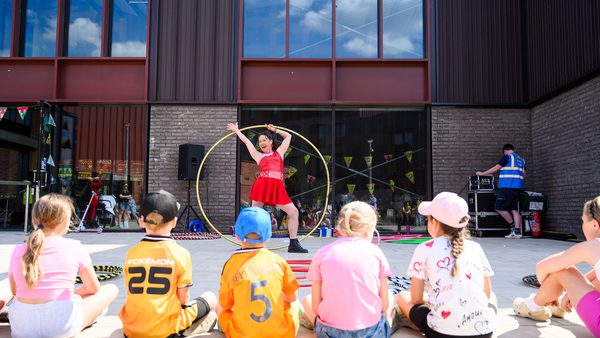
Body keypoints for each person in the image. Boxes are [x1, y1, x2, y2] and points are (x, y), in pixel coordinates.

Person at [8, 193, 118, 338]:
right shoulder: (75, 247)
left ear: (34, 221)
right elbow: (93, 288)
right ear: (65, 222)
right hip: (61, 327)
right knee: (110, 289)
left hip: (22, 328)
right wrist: (66, 294)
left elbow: (15, 291)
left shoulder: (18, 249)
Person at [396, 192, 497, 338]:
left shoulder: (424, 248)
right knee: (493, 296)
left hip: (442, 333)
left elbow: (416, 299)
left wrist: (436, 300)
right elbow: (486, 293)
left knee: (402, 297)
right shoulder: (475, 248)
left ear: (435, 222)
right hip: (484, 332)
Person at [119, 190, 217, 338]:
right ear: (174, 222)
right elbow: (184, 299)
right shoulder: (180, 253)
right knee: (210, 297)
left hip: (131, 330)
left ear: (141, 221)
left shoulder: (132, 253)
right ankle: (192, 328)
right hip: (165, 330)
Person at [301, 201, 393, 338]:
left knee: (307, 300)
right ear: (370, 229)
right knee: (390, 297)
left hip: (330, 333)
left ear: (340, 226)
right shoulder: (376, 253)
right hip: (371, 332)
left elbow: (315, 307)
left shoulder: (322, 253)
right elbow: (384, 306)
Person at [512, 196, 600, 336]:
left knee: (563, 271)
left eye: (583, 221)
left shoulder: (593, 246)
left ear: (594, 225)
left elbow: (542, 267)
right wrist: (570, 292)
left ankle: (534, 305)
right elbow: (596, 279)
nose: (582, 225)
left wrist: (550, 290)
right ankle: (553, 303)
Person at [218, 207, 300, 338]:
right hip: (281, 334)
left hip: (241, 334)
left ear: (237, 235)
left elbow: (225, 304)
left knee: (219, 308)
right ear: (269, 236)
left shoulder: (231, 265)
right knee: (295, 303)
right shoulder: (278, 261)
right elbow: (292, 297)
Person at [227, 122, 308, 253]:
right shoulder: (258, 156)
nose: (262, 143)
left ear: (271, 142)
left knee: (294, 212)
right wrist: (236, 131)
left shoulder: (279, 153)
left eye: (264, 140)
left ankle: (293, 243)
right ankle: (247, 243)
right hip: (262, 185)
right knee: (253, 215)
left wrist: (275, 129)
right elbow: (247, 142)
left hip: (277, 187)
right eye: (259, 141)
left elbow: (288, 137)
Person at [476, 143, 526, 239]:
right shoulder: (521, 160)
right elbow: (524, 175)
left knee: (499, 208)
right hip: (517, 187)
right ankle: (517, 232)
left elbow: (496, 168)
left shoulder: (507, 156)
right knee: (514, 209)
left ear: (504, 151)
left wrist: (482, 174)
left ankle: (512, 228)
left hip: (507, 187)